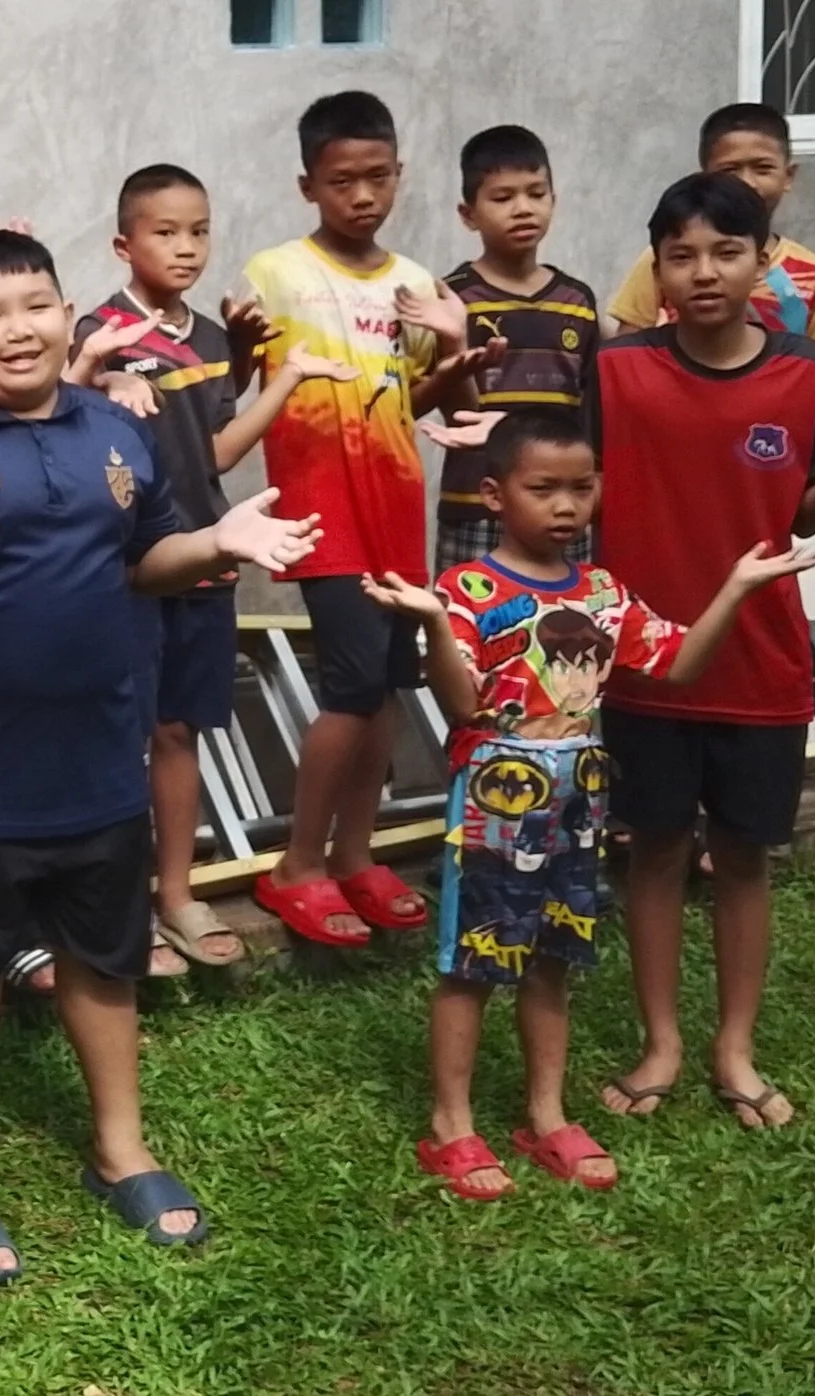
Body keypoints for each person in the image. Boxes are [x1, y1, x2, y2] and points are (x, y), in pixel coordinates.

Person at [0, 231, 322, 1281]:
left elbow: (148, 557)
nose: (17, 330)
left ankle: (118, 1145)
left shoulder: (120, 433)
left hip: (96, 757)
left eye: (34, 305)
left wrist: (217, 545)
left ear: (64, 311)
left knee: (104, 954)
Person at [360, 409, 815, 1202]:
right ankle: (452, 1124)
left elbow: (676, 662)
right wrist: (436, 624)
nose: (567, 505)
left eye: (582, 488)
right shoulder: (468, 590)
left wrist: (739, 588)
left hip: (576, 800)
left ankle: (547, 1114)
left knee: (552, 961)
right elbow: (463, 702)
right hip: (494, 802)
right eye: (544, 489)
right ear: (495, 495)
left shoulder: (603, 590)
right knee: (472, 964)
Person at [587, 173, 815, 1131]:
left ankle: (733, 1048)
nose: (703, 272)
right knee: (657, 850)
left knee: (745, 858)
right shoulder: (614, 370)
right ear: (656, 266)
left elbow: (795, 512)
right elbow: (571, 495)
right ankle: (661, 1040)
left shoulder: (802, 372)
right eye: (681, 254)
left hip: (764, 664)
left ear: (764, 260)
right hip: (649, 664)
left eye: (725, 251)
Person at [76, 163, 358, 974]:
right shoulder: (97, 332)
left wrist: (286, 376)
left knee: (177, 731)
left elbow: (216, 453)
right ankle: (110, 903)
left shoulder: (207, 337)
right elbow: (67, 416)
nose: (186, 246)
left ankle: (175, 892)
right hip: (122, 572)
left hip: (206, 559)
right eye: (165, 231)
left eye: (198, 230)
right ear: (123, 243)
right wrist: (107, 373)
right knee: (113, 735)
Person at [239, 90, 497, 949]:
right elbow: (244, 383)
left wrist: (462, 347)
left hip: (394, 503)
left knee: (387, 683)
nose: (363, 196)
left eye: (378, 178)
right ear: (308, 183)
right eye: (342, 180)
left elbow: (432, 398)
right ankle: (295, 867)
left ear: (400, 175)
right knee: (351, 683)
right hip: (321, 514)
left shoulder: (417, 283)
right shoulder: (274, 274)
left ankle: (355, 853)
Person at [604, 103, 815, 428]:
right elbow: (624, 368)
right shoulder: (663, 261)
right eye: (730, 169)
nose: (748, 182)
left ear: (788, 175)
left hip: (768, 447)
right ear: (704, 176)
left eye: (762, 168)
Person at [435, 126, 600, 573]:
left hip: (561, 505)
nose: (523, 208)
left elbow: (589, 413)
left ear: (553, 199)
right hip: (476, 502)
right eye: (503, 197)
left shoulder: (578, 302)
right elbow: (454, 412)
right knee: (471, 629)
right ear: (468, 214)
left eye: (536, 193)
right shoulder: (452, 299)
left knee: (566, 628)